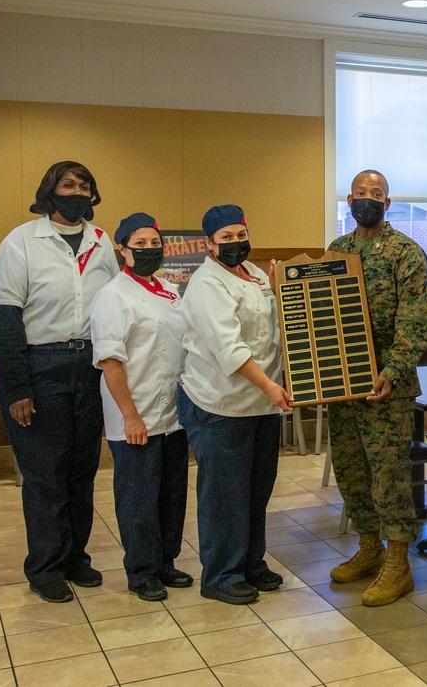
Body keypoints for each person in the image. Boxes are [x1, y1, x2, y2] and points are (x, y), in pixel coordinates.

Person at [0, 160, 118, 603]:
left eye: (84, 185)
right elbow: (5, 320)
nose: (77, 191)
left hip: (90, 367)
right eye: (68, 184)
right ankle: (44, 567)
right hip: (39, 368)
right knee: (45, 475)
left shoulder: (102, 243)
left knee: (82, 470)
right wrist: (18, 389)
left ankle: (75, 557)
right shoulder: (22, 241)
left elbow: (118, 304)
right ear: (50, 191)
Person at [325, 170, 427, 607]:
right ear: (348, 200)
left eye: (377, 194)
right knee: (352, 472)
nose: (368, 200)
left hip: (388, 386)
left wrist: (392, 369)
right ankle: (370, 547)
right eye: (361, 194)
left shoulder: (406, 253)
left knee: (389, 476)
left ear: (388, 203)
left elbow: (415, 323)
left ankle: (399, 562)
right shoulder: (337, 251)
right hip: (343, 382)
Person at [176, 204, 292, 605]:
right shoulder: (206, 284)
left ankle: (251, 564)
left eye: (240, 235)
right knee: (225, 494)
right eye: (225, 238)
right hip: (220, 405)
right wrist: (270, 387)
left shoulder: (257, 274)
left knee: (256, 490)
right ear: (209, 244)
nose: (235, 243)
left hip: (262, 405)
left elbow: (274, 333)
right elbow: (230, 348)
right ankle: (222, 574)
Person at [91, 213, 191, 602]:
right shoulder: (112, 296)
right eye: (140, 245)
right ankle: (141, 569)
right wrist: (131, 416)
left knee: (171, 492)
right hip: (134, 413)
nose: (149, 251)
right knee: (139, 496)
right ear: (122, 249)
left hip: (172, 413)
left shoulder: (169, 289)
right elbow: (110, 362)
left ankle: (166, 561)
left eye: (155, 244)